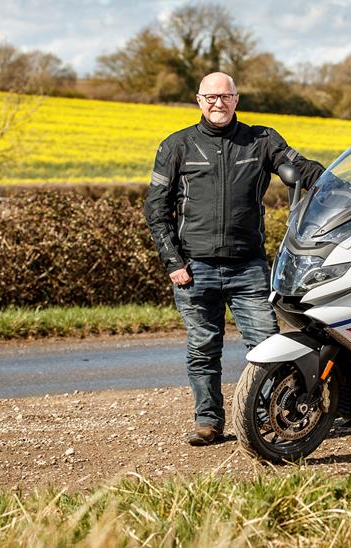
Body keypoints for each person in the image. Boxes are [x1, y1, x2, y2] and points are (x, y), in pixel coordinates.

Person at [143, 72, 325, 446]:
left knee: (268, 347)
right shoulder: (176, 146)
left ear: (236, 99)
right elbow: (155, 209)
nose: (218, 103)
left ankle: (269, 420)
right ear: (198, 100)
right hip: (194, 269)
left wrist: (335, 184)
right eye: (210, 97)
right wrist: (172, 262)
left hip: (249, 268)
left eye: (225, 96)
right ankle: (208, 422)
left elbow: (302, 169)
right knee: (202, 349)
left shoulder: (261, 140)